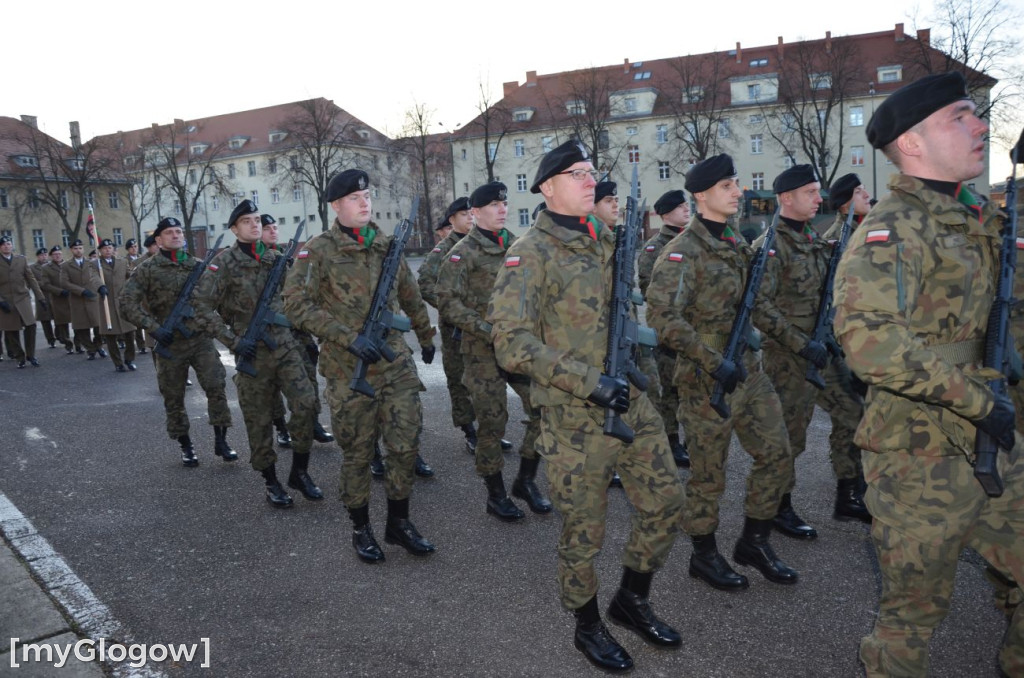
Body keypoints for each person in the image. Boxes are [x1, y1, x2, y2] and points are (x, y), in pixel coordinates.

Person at [833, 71, 1024, 677]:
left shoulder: (976, 218)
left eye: (976, 113)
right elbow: (870, 343)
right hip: (920, 457)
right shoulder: (893, 230)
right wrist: (977, 400)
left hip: (998, 436)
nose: (980, 125)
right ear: (912, 144)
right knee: (910, 621)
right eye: (959, 117)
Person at [488, 141, 684, 672]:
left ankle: (632, 598)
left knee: (667, 502)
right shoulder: (529, 253)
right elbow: (509, 342)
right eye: (577, 174)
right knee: (584, 531)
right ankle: (587, 624)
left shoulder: (610, 242)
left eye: (593, 171)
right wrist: (588, 382)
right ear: (548, 188)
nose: (589, 179)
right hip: (576, 417)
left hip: (633, 401)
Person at [646, 153, 803, 593]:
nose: (739, 192)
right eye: (728, 186)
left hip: (749, 372)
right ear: (701, 195)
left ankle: (754, 541)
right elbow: (663, 318)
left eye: (736, 184)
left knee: (777, 454)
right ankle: (704, 554)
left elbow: (753, 305)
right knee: (708, 476)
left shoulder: (734, 241)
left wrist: (798, 343)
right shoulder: (681, 252)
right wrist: (715, 362)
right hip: (705, 379)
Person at [283, 170, 437, 562]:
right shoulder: (316, 251)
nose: (364, 203)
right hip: (347, 369)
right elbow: (295, 306)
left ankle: (398, 523)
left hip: (396, 364)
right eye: (355, 198)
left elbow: (410, 293)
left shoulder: (387, 246)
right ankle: (361, 527)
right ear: (336, 206)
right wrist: (346, 336)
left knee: (405, 446)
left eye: (367, 196)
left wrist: (425, 334)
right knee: (358, 452)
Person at [193, 201, 322, 508]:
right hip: (252, 352)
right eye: (247, 221)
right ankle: (271, 481)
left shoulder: (276, 259)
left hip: (285, 345)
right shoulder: (223, 265)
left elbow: (296, 299)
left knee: (306, 404)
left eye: (257, 220)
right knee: (259, 420)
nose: (254, 225)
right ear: (234, 229)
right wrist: (232, 340)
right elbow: (200, 306)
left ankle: (300, 471)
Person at [437, 182, 550, 519]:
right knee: (492, 422)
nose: (502, 209)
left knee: (543, 409)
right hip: (481, 350)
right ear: (475, 212)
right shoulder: (461, 253)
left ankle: (526, 480)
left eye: (504, 204)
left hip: (517, 346)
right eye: (494, 205)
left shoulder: (516, 244)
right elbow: (446, 301)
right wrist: (485, 328)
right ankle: (496, 494)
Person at [752, 165, 831, 540]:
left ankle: (782, 502)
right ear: (786, 198)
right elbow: (760, 307)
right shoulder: (771, 245)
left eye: (818, 192)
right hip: (785, 357)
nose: (819, 198)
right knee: (784, 437)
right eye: (811, 192)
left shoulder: (812, 239)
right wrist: (803, 344)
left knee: (796, 436)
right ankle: (775, 510)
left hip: (815, 350)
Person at [120, 217, 237, 466]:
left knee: (216, 387)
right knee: (173, 397)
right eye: (169, 233)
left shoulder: (197, 266)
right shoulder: (147, 269)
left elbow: (217, 298)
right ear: (159, 239)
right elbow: (126, 303)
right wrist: (154, 329)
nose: (176, 236)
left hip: (200, 339)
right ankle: (186, 445)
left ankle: (222, 440)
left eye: (178, 231)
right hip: (170, 342)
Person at [591, 180, 660, 488]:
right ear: (591, 206)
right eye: (608, 200)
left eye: (616, 199)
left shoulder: (614, 238)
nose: (615, 205)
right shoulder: (591, 242)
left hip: (625, 336)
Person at [815, 173, 873, 523]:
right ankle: (847, 494)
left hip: (869, 342)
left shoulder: (867, 231)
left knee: (861, 415)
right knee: (849, 415)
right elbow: (828, 299)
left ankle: (860, 485)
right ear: (844, 203)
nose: (867, 193)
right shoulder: (837, 239)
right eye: (859, 191)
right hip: (841, 345)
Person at [258, 214, 336, 448]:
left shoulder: (285, 258)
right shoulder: (254, 261)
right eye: (267, 228)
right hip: (270, 330)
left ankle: (312, 422)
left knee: (308, 376)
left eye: (275, 227)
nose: (273, 231)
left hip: (295, 327)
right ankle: (281, 426)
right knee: (273, 384)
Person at [417, 198, 479, 453]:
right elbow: (425, 283)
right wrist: (448, 307)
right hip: (455, 328)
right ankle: (469, 430)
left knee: (484, 379)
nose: (470, 219)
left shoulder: (481, 245)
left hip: (480, 325)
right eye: (464, 215)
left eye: (472, 214)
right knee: (458, 378)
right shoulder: (442, 251)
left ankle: (488, 430)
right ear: (452, 220)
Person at [637, 189, 693, 468]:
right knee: (670, 390)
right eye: (680, 207)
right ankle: (671, 440)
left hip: (696, 329)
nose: (686, 209)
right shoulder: (654, 247)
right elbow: (649, 288)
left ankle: (692, 440)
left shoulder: (694, 241)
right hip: (670, 330)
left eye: (686, 205)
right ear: (665, 214)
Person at [92, 239, 137, 372]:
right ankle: (117, 362)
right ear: (100, 250)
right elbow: (93, 277)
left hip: (123, 302)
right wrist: (100, 286)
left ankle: (129, 359)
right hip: (107, 302)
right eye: (104, 248)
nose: (107, 250)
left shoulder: (122, 262)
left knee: (130, 332)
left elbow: (130, 275)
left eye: (110, 247)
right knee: (110, 335)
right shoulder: (96, 264)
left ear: (113, 249)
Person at [0, 235, 45, 367]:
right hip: (6, 301)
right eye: (3, 245)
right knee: (11, 330)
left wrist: (41, 297)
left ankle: (31, 355)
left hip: (22, 298)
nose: (6, 246)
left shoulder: (21, 260)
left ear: (12, 245)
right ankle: (20, 357)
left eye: (8, 244)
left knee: (31, 325)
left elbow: (31, 279)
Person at [60, 239, 104, 360]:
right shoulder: (66, 266)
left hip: (93, 298)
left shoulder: (92, 263)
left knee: (99, 325)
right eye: (75, 248)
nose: (78, 250)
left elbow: (99, 278)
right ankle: (91, 349)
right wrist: (81, 291)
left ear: (83, 249)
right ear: (71, 250)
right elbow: (64, 282)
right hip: (77, 300)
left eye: (80, 248)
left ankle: (98, 345)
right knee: (82, 328)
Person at [40, 246, 74, 353]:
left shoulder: (68, 264)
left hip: (72, 297)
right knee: (62, 323)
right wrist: (59, 291)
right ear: (51, 256)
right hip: (57, 299)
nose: (58, 256)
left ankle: (78, 343)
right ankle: (68, 343)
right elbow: (45, 284)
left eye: (59, 253)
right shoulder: (46, 268)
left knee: (76, 322)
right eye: (55, 254)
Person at [30, 247, 56, 349]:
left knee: (58, 317)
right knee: (45, 320)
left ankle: (59, 335)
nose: (44, 257)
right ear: (38, 256)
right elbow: (32, 281)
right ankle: (50, 339)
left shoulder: (51, 265)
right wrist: (44, 283)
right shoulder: (32, 268)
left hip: (53, 294)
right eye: (41, 255)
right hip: (42, 296)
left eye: (45, 255)